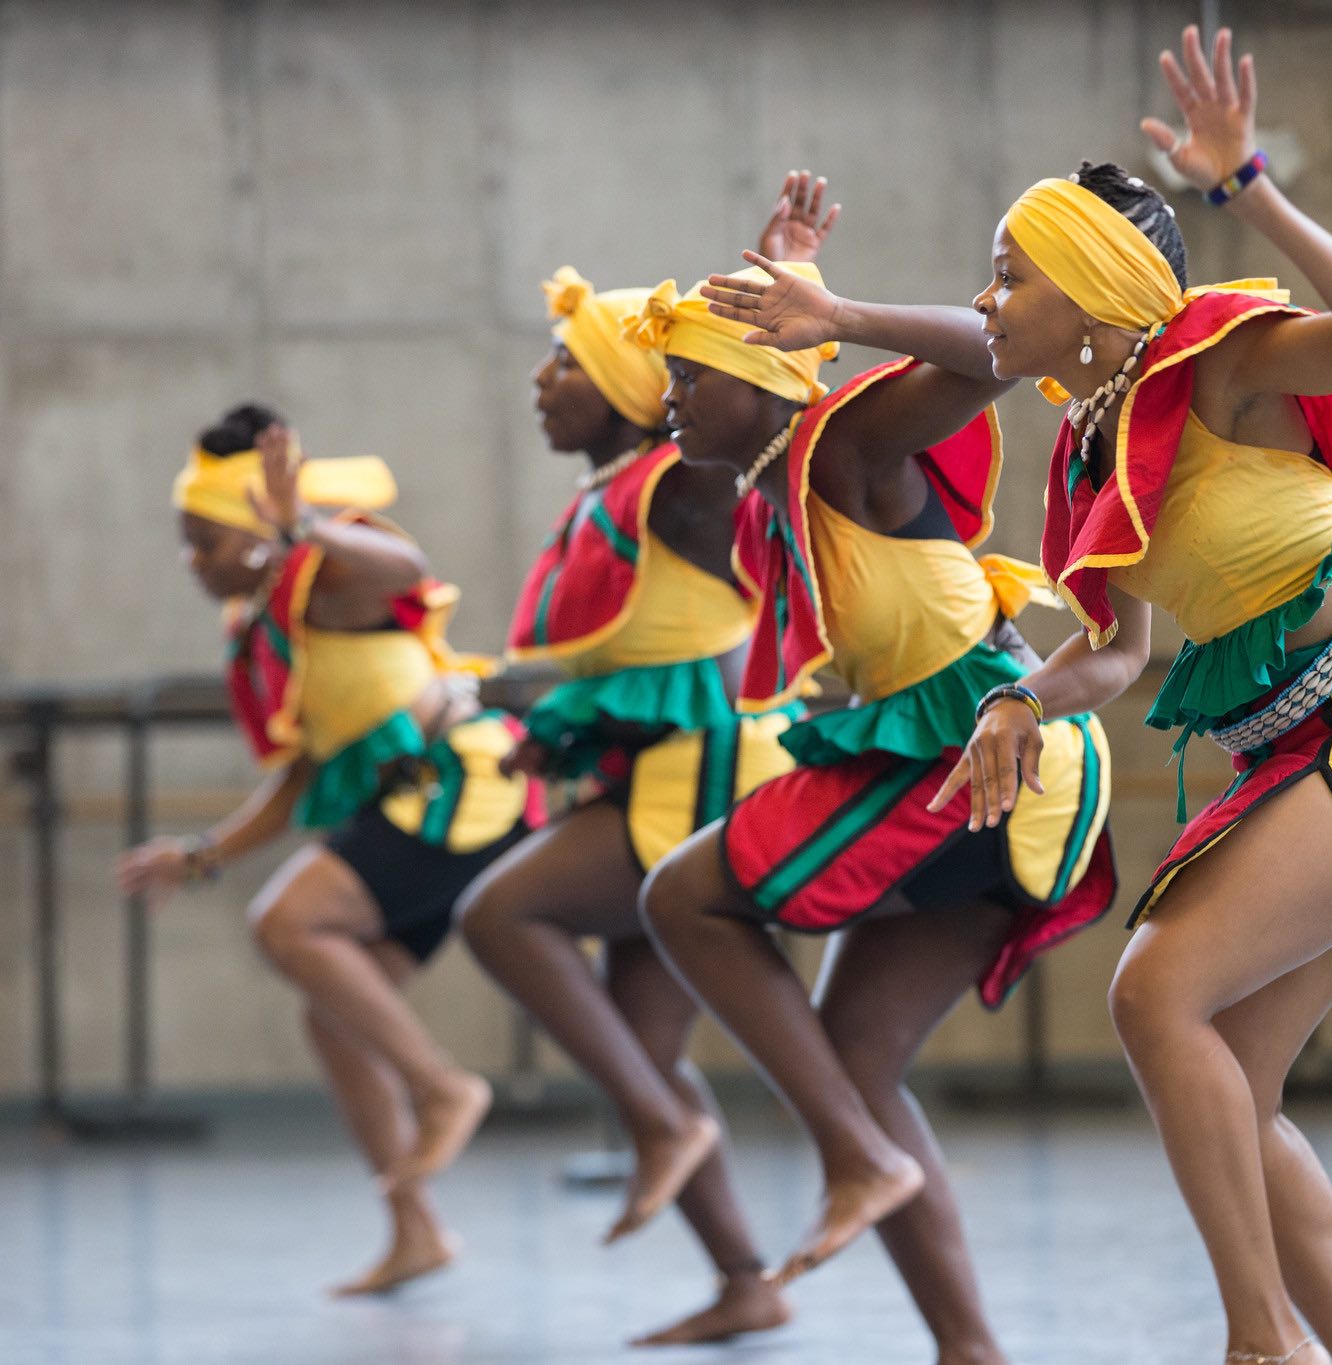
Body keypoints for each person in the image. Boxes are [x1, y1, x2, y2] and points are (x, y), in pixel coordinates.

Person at [701, 25, 1332, 1365]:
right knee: (1239, 1080)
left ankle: (1259, 1339)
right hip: (1294, 740)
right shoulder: (1092, 453)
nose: (987, 304)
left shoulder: (1218, 358)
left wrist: (1249, 187)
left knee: (1155, 1000)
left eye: (1007, 277)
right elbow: (1111, 651)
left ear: (1096, 295)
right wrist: (1017, 704)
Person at [631, 248, 1117, 1365]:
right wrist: (783, 279)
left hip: (989, 747)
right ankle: (968, 1348)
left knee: (684, 896)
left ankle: (854, 1159)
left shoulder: (841, 446)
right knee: (854, 1056)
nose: (667, 405)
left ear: (753, 383)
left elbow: (987, 349)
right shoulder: (771, 483)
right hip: (971, 757)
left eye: (684, 383)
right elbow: (703, 457)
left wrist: (837, 312)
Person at [453, 175, 835, 1347]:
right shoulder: (613, 491)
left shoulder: (679, 485)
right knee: (648, 1049)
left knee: (499, 914)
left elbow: (773, 469)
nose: (540, 380)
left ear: (631, 392)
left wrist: (782, 304)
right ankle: (742, 1278)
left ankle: (663, 1138)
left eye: (565, 362)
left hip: (697, 777)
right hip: (645, 773)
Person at [118, 405, 539, 1296]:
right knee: (333, 1012)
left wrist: (303, 522)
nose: (197, 562)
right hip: (412, 804)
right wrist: (196, 855)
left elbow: (411, 566)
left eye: (209, 542)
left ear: (263, 532)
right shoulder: (271, 621)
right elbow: (299, 777)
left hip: (465, 790)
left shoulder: (328, 574)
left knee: (287, 921)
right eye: (187, 545)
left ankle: (439, 1088)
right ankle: (416, 1229)